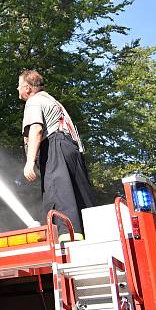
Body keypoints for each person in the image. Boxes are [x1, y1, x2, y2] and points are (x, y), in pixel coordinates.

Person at [18, 70, 95, 239]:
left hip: (55, 146)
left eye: (19, 85)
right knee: (78, 194)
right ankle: (89, 233)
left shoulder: (34, 101)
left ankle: (66, 236)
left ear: (27, 88)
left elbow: (36, 129)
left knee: (57, 190)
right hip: (73, 151)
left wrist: (30, 162)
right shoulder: (53, 101)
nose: (17, 89)